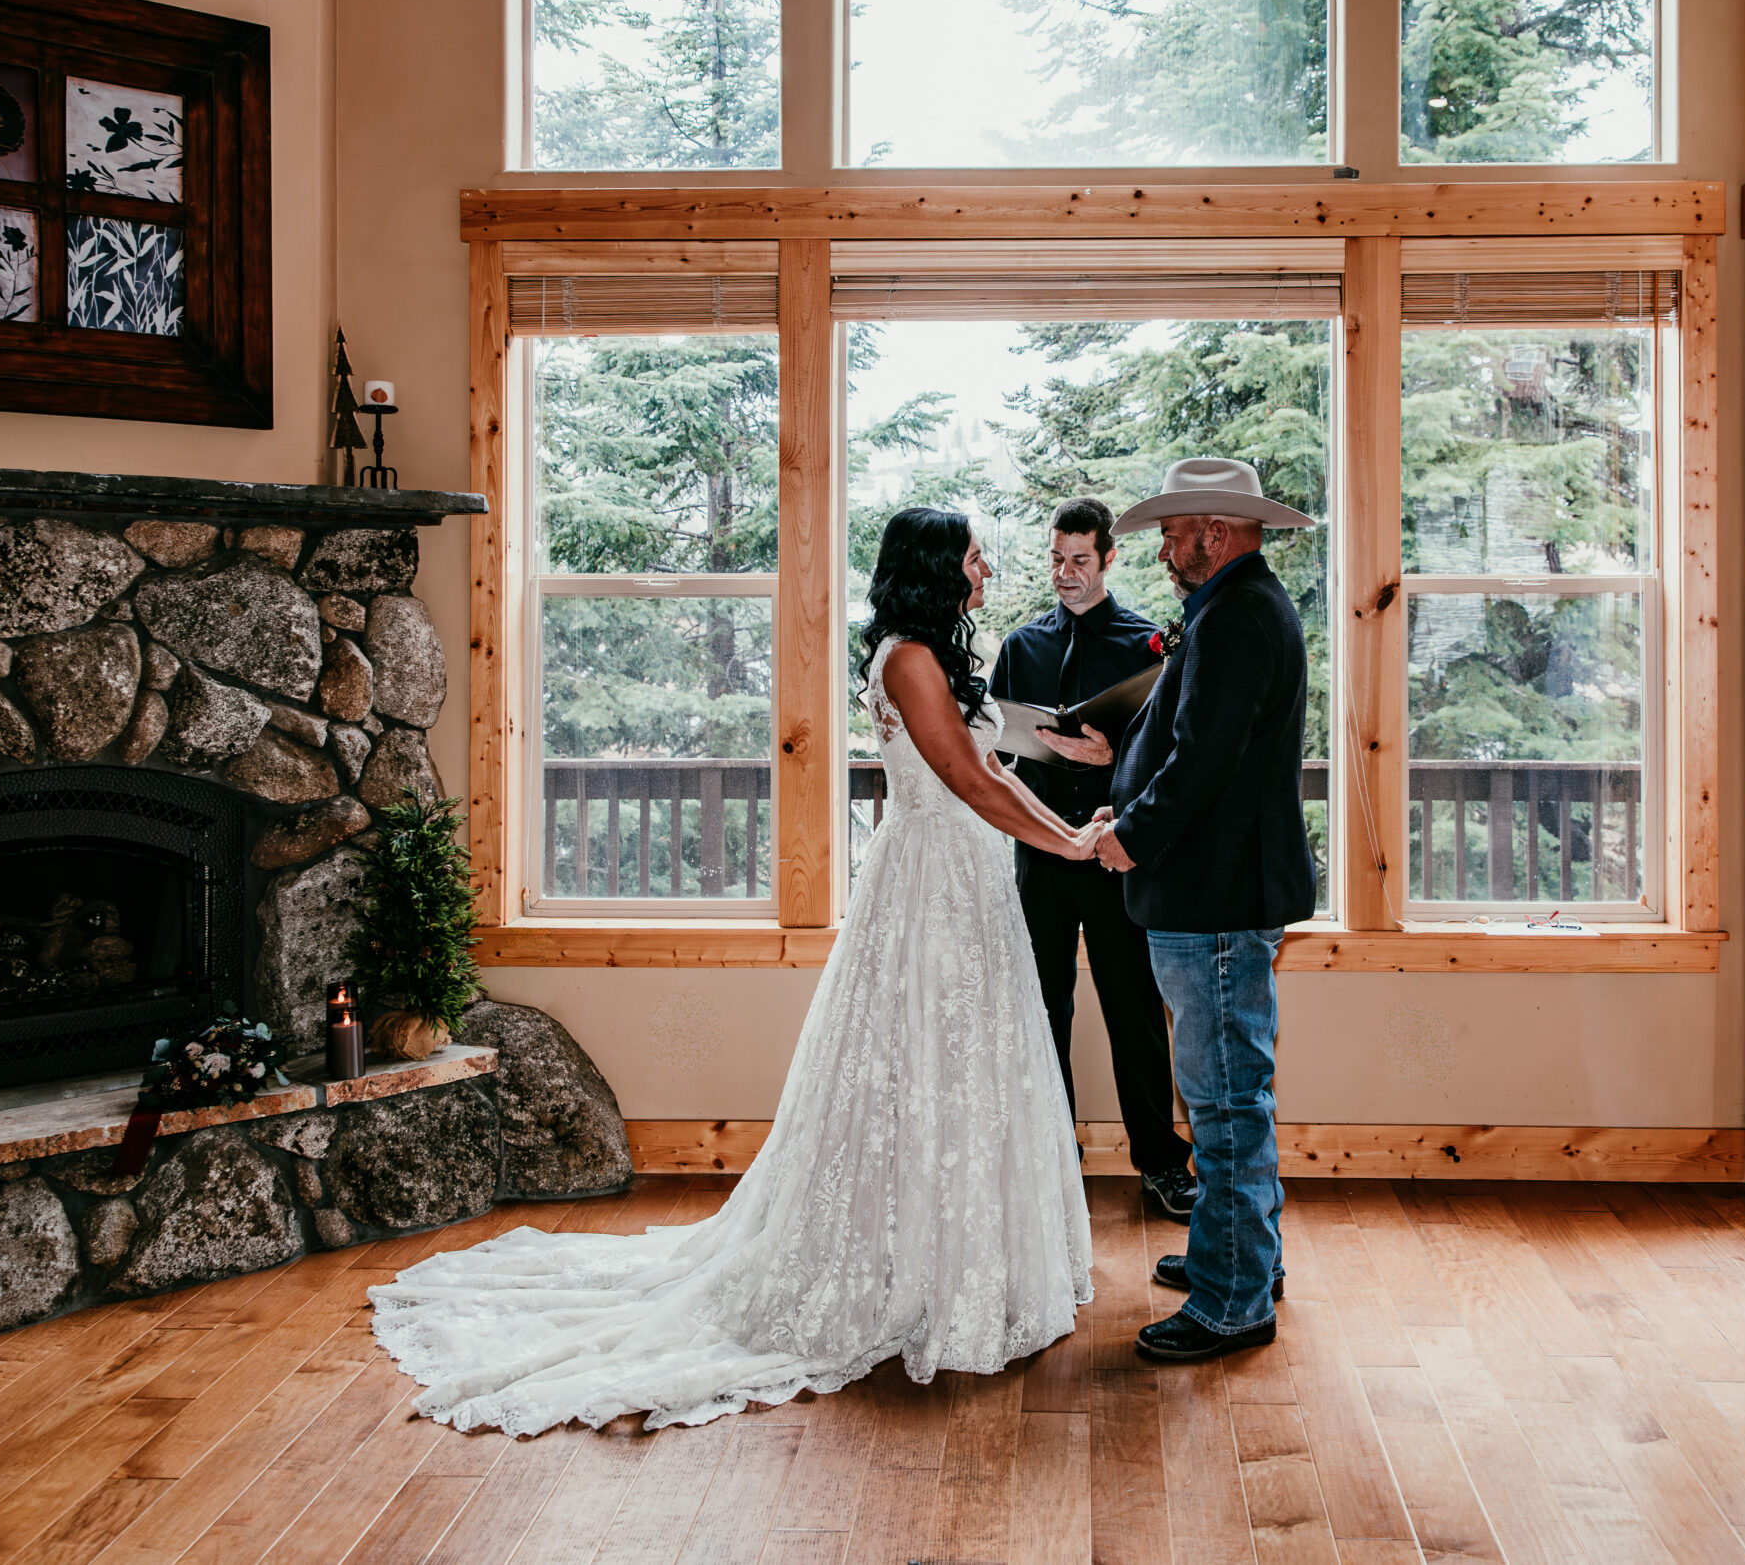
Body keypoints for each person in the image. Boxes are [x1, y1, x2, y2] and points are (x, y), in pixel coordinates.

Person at [371, 508, 1097, 1433]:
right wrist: (1069, 846)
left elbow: (994, 767)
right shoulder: (909, 658)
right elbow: (966, 779)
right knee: (919, 1065)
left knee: (968, 1069)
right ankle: (912, 1273)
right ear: (933, 569)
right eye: (973, 557)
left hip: (970, 881)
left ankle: (966, 1264)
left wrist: (1070, 819)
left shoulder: (938, 657)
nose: (985, 569)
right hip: (933, 887)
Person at [1089, 457, 1318, 1363]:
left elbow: (1203, 762)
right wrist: (1124, 797)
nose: (1164, 550)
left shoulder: (1237, 617)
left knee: (1223, 1103)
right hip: (1219, 890)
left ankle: (1233, 1302)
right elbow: (1190, 743)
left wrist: (1131, 835)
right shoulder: (1239, 607)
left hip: (1215, 896)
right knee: (1232, 1093)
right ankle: (1241, 1256)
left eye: (1173, 534)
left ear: (1215, 533)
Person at [991, 496, 1200, 1222]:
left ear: (1109, 558)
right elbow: (995, 755)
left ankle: (1161, 1163)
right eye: (1056, 559)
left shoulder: (1150, 646)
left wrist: (1112, 760)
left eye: (1080, 559)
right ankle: (1053, 1164)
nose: (1065, 573)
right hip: (1041, 856)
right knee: (1042, 1007)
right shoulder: (1020, 647)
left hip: (1116, 853)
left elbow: (1175, 762)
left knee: (1134, 1008)